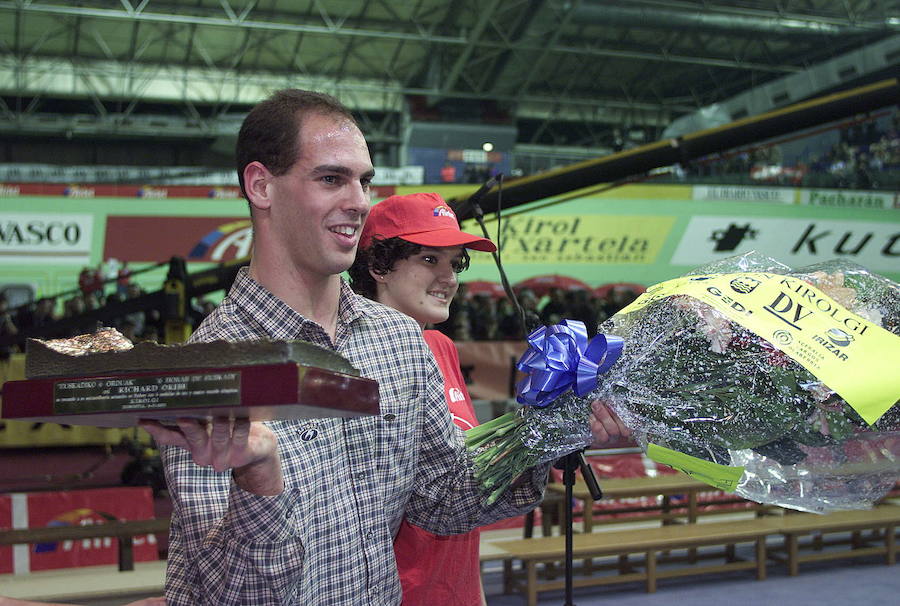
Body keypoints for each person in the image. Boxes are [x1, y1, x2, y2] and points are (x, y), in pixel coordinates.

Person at [139, 89, 550, 605]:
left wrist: (552, 427)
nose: (359, 202)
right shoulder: (213, 369)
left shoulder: (397, 340)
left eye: (364, 181)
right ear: (261, 186)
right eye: (331, 179)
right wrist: (259, 475)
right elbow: (236, 596)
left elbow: (445, 498)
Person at [348, 191, 496, 605]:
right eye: (430, 259)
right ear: (379, 266)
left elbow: (460, 483)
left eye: (455, 263)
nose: (449, 278)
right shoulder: (355, 363)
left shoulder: (440, 347)